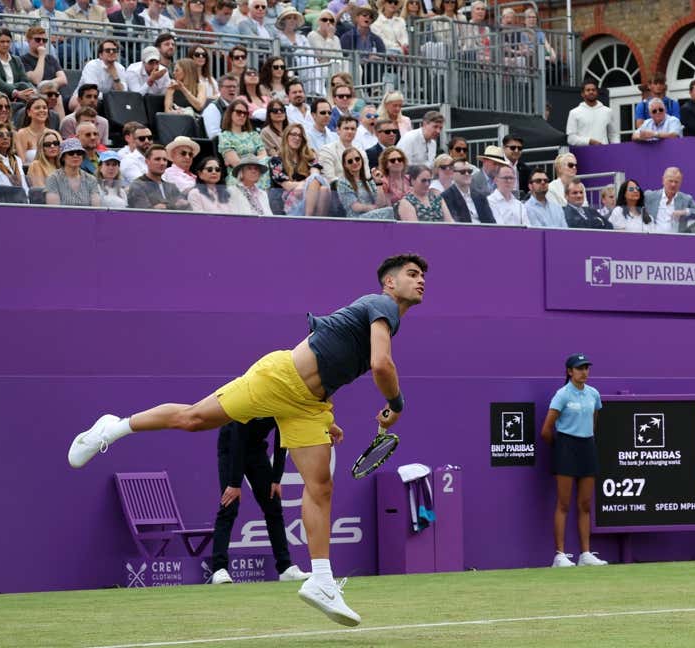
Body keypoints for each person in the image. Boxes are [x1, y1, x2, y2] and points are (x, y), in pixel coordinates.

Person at [68, 252, 427, 626]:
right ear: (389, 282)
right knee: (193, 419)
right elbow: (381, 365)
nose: (421, 281)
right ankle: (114, 426)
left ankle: (321, 580)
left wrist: (327, 413)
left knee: (320, 486)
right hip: (279, 379)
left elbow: (332, 360)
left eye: (423, 277)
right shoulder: (380, 305)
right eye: (412, 274)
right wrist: (396, 403)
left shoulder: (382, 317)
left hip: (309, 405)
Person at [207, 417, 310, 585]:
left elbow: (281, 438)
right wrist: (234, 483)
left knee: (273, 505)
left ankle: (285, 568)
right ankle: (219, 569)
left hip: (256, 449)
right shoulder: (250, 398)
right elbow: (238, 439)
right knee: (229, 506)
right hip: (231, 446)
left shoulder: (280, 401)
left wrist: (276, 478)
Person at [540, 353, 607, 568]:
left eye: (587, 368)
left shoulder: (594, 394)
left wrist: (585, 439)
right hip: (566, 448)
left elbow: (594, 421)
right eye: (580, 368)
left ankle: (585, 554)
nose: (584, 372)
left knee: (585, 504)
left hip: (587, 446)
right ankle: (560, 555)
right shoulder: (562, 395)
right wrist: (561, 448)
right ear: (570, 371)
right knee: (564, 503)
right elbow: (546, 430)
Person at [269, 124, 330, 217]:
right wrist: (307, 184)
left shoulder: (310, 157)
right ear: (286, 137)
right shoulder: (276, 160)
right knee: (315, 183)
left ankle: (313, 220)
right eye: (293, 134)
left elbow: (316, 175)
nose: (297, 138)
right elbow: (288, 185)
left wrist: (305, 185)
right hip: (289, 199)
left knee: (324, 189)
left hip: (310, 195)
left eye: (300, 135)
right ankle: (309, 218)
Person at [219, 100, 268, 189]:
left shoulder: (253, 134)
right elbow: (236, 163)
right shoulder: (225, 136)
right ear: (230, 113)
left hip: (257, 170)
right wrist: (255, 159)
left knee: (267, 161)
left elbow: (264, 155)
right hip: (238, 174)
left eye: (245, 113)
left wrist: (251, 161)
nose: (242, 115)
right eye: (239, 112)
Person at [644, 166, 695, 234]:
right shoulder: (650, 196)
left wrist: (685, 212)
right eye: (670, 181)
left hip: (677, 240)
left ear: (680, 183)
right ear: (663, 180)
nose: (673, 184)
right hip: (652, 238)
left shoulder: (686, 199)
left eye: (676, 182)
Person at [335, 147, 394, 219]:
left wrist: (379, 184)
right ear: (345, 165)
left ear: (361, 160)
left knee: (392, 209)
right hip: (356, 219)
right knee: (390, 211)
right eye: (350, 161)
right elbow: (355, 207)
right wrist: (374, 208)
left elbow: (381, 204)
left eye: (357, 159)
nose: (355, 162)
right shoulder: (343, 182)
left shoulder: (368, 180)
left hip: (373, 215)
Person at [0, 29, 36, 103]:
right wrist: (16, 93)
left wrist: (33, 91)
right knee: (22, 86)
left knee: (26, 87)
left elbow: (25, 79)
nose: (5, 44)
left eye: (8, 42)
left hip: (20, 95)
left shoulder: (16, 60)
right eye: (2, 42)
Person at [128, 145, 191, 210]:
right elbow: (145, 214)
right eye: (157, 159)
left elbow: (185, 208)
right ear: (147, 162)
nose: (162, 163)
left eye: (165, 160)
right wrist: (173, 206)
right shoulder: (137, 186)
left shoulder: (171, 187)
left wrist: (164, 207)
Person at [45, 138, 101, 206]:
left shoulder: (91, 179)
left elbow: (96, 209)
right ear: (63, 157)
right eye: (71, 153)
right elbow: (54, 210)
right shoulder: (53, 179)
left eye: (79, 153)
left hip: (87, 216)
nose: (75, 155)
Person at [0, 121, 29, 203]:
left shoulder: (16, 160)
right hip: (3, 203)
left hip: (25, 201)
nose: (5, 137)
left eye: (8, 135)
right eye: (0, 135)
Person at [565, 80, 618, 146]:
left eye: (593, 90)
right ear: (582, 94)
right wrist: (589, 141)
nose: (591, 92)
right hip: (583, 153)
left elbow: (613, 135)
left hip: (603, 151)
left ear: (597, 93)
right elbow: (571, 139)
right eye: (588, 90)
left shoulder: (607, 111)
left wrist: (617, 150)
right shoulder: (574, 113)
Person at [441, 158, 493, 224]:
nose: (467, 174)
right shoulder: (446, 197)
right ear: (452, 174)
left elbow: (491, 222)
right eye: (462, 172)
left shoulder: (480, 196)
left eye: (469, 171)